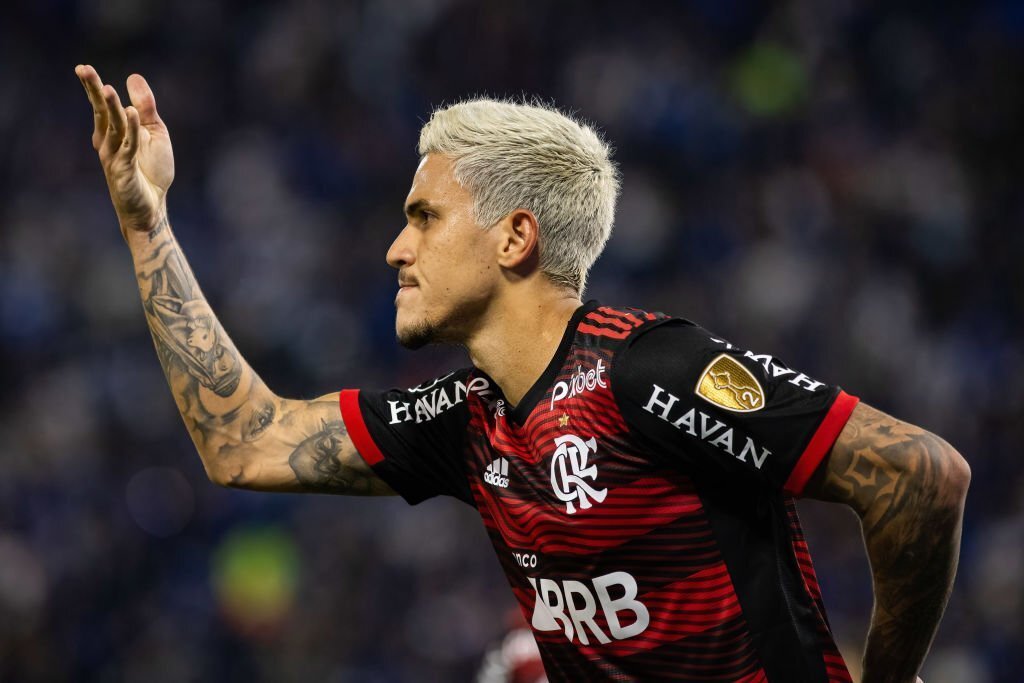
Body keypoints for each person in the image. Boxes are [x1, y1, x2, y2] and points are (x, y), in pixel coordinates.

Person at [75, 63, 969, 682]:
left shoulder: (648, 369)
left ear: (514, 237)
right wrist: (147, 224)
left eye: (424, 216)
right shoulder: (468, 419)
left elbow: (921, 473)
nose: (395, 248)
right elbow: (245, 441)